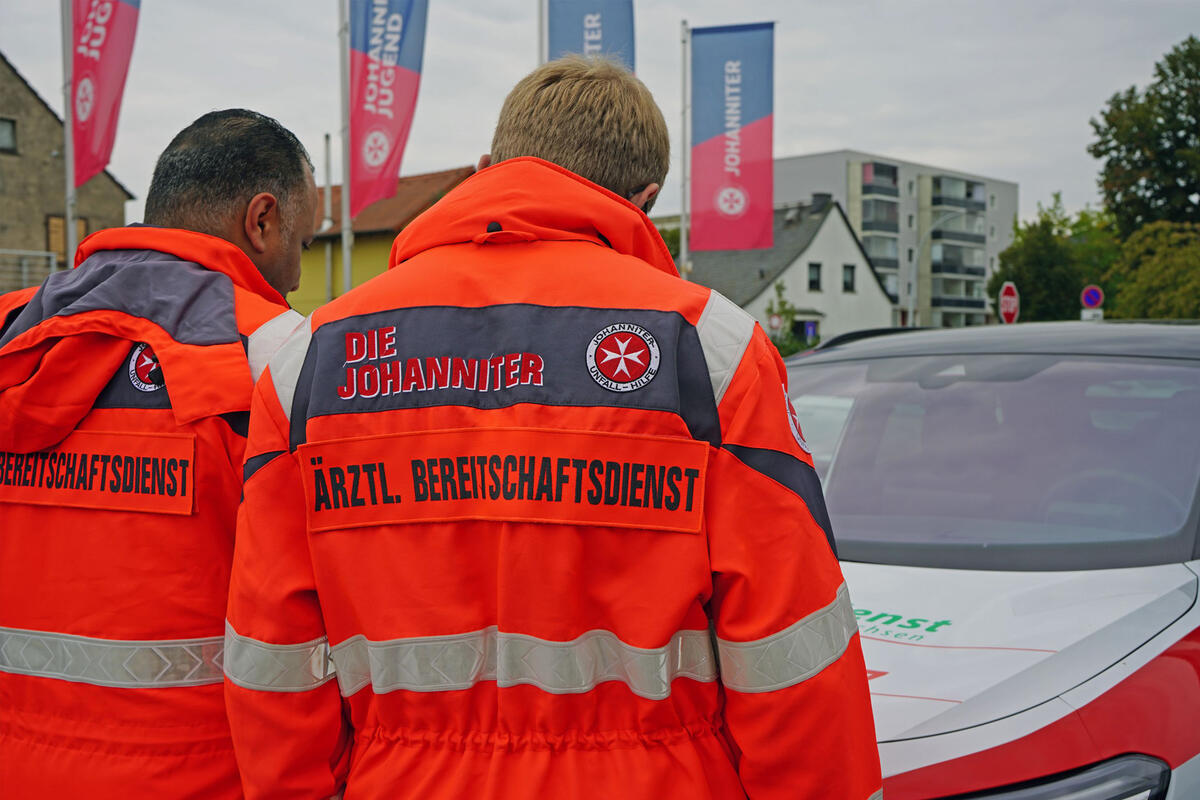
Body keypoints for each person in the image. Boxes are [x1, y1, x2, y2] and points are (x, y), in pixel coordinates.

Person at [224, 57, 882, 799]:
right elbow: (793, 657)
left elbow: (272, 659)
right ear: (646, 201)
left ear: (486, 170)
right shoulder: (710, 349)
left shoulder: (311, 361)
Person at [0, 108, 317, 798]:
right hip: (204, 773)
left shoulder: (12, 334)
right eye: (303, 241)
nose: (298, 272)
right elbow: (301, 615)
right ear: (262, 221)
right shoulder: (280, 354)